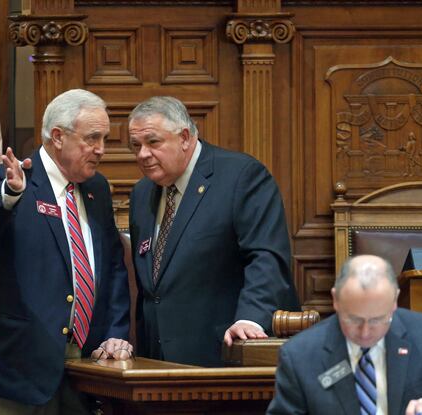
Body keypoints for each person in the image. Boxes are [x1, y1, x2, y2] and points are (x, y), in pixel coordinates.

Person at [0, 89, 132, 414]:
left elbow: (113, 270)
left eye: (105, 139)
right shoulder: (12, 179)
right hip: (18, 368)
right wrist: (9, 194)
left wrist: (115, 334)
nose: (101, 150)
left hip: (86, 370)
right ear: (58, 136)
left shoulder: (97, 189)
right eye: (92, 138)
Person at [128, 96, 299, 367]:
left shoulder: (241, 176)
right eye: (136, 146)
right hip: (155, 361)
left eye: (153, 142)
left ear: (184, 137)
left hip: (222, 352)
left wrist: (250, 318)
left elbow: (266, 256)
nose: (142, 154)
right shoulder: (142, 193)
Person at [267, 254, 422, 415]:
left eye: (377, 320)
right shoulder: (299, 355)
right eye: (353, 319)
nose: (365, 333)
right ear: (336, 300)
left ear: (394, 302)